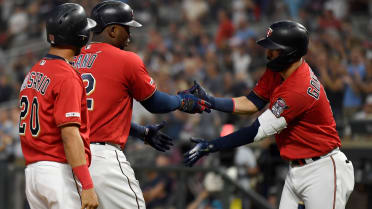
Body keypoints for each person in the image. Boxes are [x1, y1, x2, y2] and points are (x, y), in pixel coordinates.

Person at [182, 20, 355, 209]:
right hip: (297, 169)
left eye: (274, 48)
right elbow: (252, 102)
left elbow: (254, 132)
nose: (268, 52)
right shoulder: (279, 70)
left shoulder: (298, 88)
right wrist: (211, 101)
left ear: (290, 52)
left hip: (323, 171)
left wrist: (211, 146)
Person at [73, 1, 211, 209]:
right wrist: (181, 101)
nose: (130, 35)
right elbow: (155, 103)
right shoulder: (125, 59)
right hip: (103, 160)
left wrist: (140, 132)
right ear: (112, 30)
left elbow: (93, 114)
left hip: (68, 162)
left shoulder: (72, 61)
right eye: (126, 29)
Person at [19, 3, 99, 209]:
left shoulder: (33, 72)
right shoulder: (66, 76)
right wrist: (87, 184)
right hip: (58, 171)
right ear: (80, 37)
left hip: (33, 174)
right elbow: (70, 134)